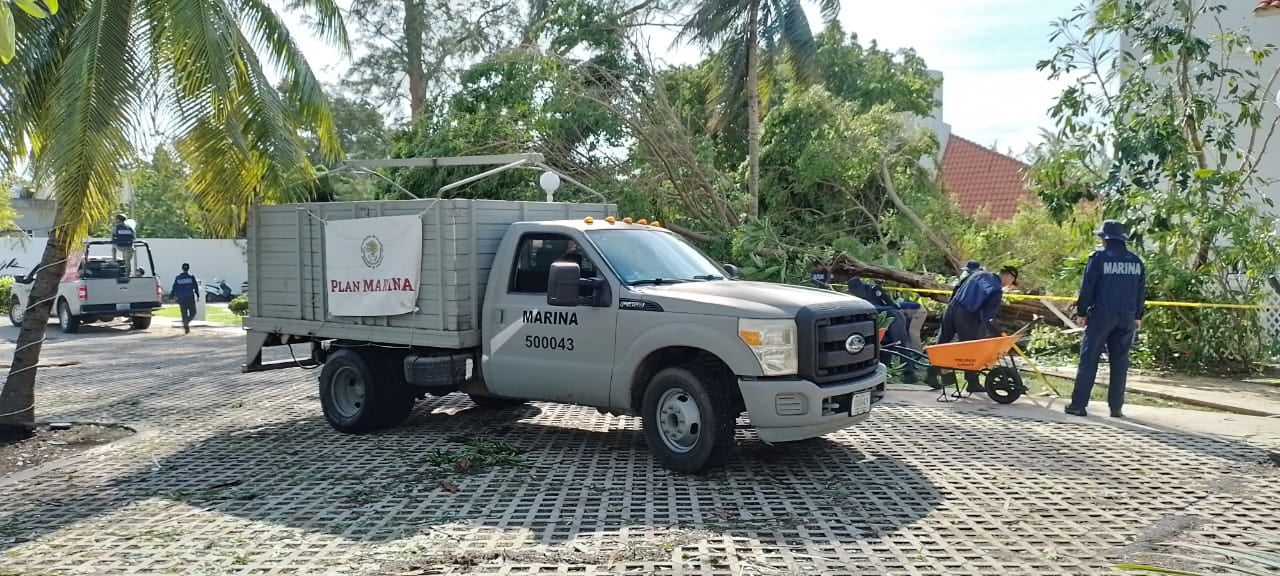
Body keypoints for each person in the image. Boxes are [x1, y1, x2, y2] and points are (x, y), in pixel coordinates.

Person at [1065, 220, 1146, 418]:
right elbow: (1141, 291)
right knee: (1120, 362)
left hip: (1102, 316)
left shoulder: (1099, 258)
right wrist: (1137, 316)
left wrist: (1081, 312)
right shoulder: (1136, 261)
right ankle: (1116, 408)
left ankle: (1078, 405)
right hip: (1127, 318)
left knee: (1089, 359)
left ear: (1105, 239)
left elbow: (1088, 287)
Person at [926, 265, 1019, 393]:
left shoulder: (977, 274)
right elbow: (989, 317)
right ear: (1009, 276)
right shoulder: (996, 289)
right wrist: (997, 334)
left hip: (953, 306)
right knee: (971, 348)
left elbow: (957, 287)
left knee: (943, 341)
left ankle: (931, 373)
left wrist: (952, 306)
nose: (1009, 285)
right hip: (967, 314)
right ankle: (972, 383)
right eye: (1011, 282)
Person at [847, 276, 919, 384]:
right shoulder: (855, 298)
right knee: (884, 345)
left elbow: (891, 305)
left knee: (900, 344)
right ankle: (883, 374)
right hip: (879, 319)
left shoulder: (873, 289)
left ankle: (909, 373)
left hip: (894, 316)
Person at [171, 263, 199, 334]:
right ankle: (186, 323)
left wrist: (172, 295)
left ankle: (186, 327)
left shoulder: (178, 277)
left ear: (182, 268)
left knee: (184, 314)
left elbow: (174, 287)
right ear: (188, 268)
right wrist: (197, 295)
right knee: (193, 312)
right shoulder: (191, 277)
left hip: (181, 298)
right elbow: (195, 286)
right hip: (190, 297)